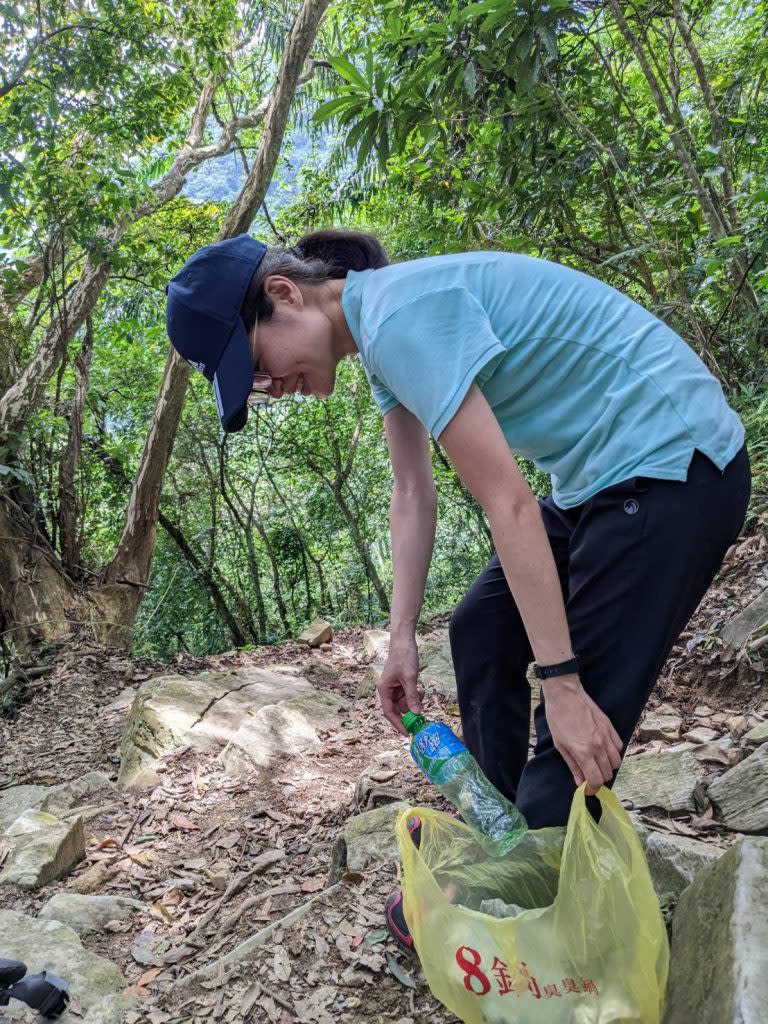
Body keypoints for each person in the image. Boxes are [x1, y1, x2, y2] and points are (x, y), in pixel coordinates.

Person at [165, 229, 750, 951]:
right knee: (480, 628)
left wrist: (562, 684)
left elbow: (509, 504)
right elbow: (412, 492)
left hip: (675, 467)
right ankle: (510, 836)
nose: (265, 386)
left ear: (285, 295)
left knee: (577, 711)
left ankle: (531, 868)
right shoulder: (378, 325)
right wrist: (401, 636)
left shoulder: (400, 317)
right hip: (605, 476)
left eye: (253, 363)